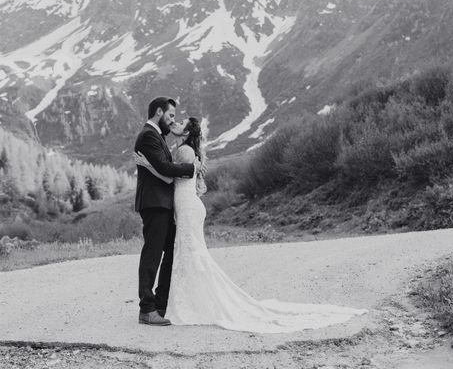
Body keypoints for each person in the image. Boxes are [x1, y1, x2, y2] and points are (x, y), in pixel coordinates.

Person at [135, 116, 367, 333]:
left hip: (186, 206)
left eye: (180, 123)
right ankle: (175, 301)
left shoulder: (184, 150)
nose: (175, 123)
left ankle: (184, 301)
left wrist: (147, 164)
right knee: (187, 254)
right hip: (187, 205)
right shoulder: (188, 149)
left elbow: (167, 176)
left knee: (189, 253)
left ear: (186, 132)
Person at [134, 97, 202, 326]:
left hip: (165, 203)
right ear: (159, 112)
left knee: (172, 252)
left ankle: (161, 303)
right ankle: (147, 308)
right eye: (171, 115)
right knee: (153, 254)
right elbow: (165, 168)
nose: (173, 120)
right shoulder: (148, 135)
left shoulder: (157, 136)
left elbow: (163, 170)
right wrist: (193, 168)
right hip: (154, 203)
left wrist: (148, 166)